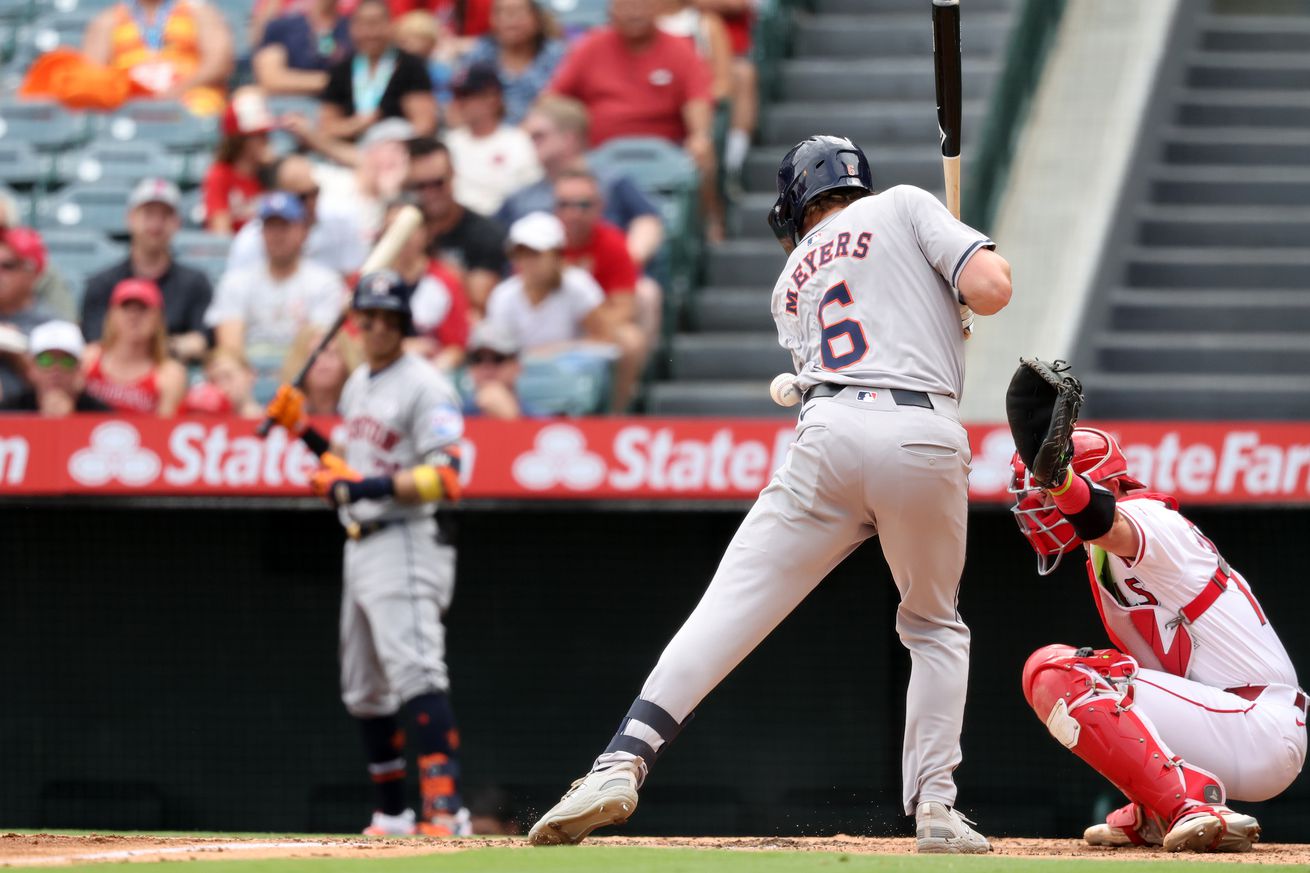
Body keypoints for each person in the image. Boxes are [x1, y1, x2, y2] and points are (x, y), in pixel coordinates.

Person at [527, 135, 1013, 850]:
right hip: (922, 433)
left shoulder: (789, 279)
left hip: (830, 431)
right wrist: (960, 299)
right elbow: (994, 287)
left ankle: (620, 759)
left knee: (726, 608)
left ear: (795, 207)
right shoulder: (906, 204)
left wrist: (947, 305)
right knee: (933, 625)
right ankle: (937, 807)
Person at [1010, 426, 1305, 852]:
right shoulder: (1101, 559)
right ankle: (1157, 807)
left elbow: (1106, 523)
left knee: (1057, 671)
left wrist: (1063, 482)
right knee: (1100, 684)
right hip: (1225, 720)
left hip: (1259, 722)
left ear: (1099, 484)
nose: (1037, 505)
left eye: (1044, 491)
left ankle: (1191, 804)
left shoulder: (1148, 516)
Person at [263, 270, 471, 837]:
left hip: (406, 539)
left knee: (416, 671)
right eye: (369, 317)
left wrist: (361, 490)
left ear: (403, 323)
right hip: (361, 543)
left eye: (388, 317)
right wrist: (303, 431)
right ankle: (392, 812)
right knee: (363, 688)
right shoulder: (358, 382)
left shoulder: (425, 385)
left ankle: (446, 811)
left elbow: (447, 478)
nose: (377, 326)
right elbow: (350, 460)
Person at [545, 0, 720, 238]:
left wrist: (699, 135)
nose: (634, 12)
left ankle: (706, 231)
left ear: (656, 8)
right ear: (611, 10)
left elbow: (697, 98)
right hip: (598, 156)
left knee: (703, 151)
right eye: (626, 5)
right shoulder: (591, 46)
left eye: (641, 4)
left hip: (666, 155)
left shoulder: (678, 48)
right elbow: (551, 100)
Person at [500, 96, 665, 275]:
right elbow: (495, 242)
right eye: (530, 137)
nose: (531, 143)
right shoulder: (520, 197)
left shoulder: (612, 181)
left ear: (569, 138)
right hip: (541, 285)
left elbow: (647, 221)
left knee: (646, 293)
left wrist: (625, 262)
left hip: (605, 278)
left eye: (539, 136)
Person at [206, 192, 347, 391]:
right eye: (270, 226)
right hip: (248, 382)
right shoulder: (236, 281)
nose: (277, 234)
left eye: (285, 226)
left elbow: (318, 345)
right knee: (225, 368)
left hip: (303, 381)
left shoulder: (325, 282)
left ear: (303, 231)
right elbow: (231, 349)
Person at [81, 178, 213, 364]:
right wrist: (170, 345)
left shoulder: (195, 283)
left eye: (165, 215)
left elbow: (201, 341)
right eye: (148, 214)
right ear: (130, 218)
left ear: (177, 223)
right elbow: (95, 343)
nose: (156, 223)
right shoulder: (102, 284)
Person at [554, 167, 647, 411]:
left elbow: (624, 308)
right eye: (565, 205)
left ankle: (616, 415)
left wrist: (591, 329)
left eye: (583, 205)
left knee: (631, 339)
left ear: (599, 207)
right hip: (545, 331)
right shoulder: (539, 244)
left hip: (593, 331)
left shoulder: (613, 244)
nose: (573, 213)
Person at [81, 0, 235, 116]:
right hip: (128, 107)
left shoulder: (199, 11)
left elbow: (220, 63)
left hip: (191, 100)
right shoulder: (107, 21)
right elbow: (92, 75)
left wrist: (176, 91)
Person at [406, 137, 507, 313]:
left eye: (438, 183)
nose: (430, 193)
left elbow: (479, 303)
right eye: (420, 186)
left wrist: (429, 266)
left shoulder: (484, 233)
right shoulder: (401, 228)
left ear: (453, 175)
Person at [484, 212, 606, 353]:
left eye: (535, 253)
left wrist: (560, 351)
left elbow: (602, 339)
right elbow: (499, 350)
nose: (526, 261)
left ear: (556, 254)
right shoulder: (503, 296)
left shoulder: (579, 286)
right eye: (520, 253)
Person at [227, 155, 369, 276]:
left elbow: (354, 275)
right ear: (278, 195)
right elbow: (236, 292)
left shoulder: (340, 220)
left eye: (315, 192)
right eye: (302, 197)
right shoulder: (252, 240)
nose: (311, 201)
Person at [319, 0, 438, 142]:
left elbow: (424, 124)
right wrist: (356, 125)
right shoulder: (340, 70)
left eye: (375, 23)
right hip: (349, 152)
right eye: (362, 24)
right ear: (351, 28)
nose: (369, 32)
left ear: (391, 25)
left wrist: (391, 148)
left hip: (399, 150)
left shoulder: (410, 66)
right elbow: (327, 126)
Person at [378, 199, 470, 371]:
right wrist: (400, 348)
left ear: (427, 232)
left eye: (411, 229)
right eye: (394, 228)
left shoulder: (446, 281)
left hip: (432, 372)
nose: (404, 238)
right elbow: (353, 340)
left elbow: (457, 347)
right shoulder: (369, 281)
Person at [445, 62, 541, 217]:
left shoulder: (518, 142)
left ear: (492, 98)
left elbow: (528, 194)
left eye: (466, 95)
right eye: (456, 96)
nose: (459, 103)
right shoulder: (449, 142)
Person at [83, 278, 187, 416]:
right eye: (126, 308)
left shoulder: (169, 375)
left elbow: (165, 431)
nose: (134, 316)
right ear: (112, 315)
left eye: (143, 309)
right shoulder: (88, 358)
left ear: (157, 318)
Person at [459, 0, 566, 125]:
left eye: (518, 12)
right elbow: (459, 102)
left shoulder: (557, 56)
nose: (509, 19)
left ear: (537, 18)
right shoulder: (479, 54)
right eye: (501, 12)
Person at [203, 88, 276, 235]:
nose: (266, 141)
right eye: (258, 135)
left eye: (266, 134)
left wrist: (276, 170)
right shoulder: (219, 174)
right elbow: (220, 232)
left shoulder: (272, 173)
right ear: (239, 141)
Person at [0, 320, 111, 414]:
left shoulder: (99, 414)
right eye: (46, 360)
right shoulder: (9, 411)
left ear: (79, 369)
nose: (55, 368)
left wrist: (71, 421)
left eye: (67, 361)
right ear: (31, 368)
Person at [0, 228, 57, 404]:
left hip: (30, 424)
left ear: (32, 271)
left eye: (8, 266)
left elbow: (62, 386)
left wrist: (17, 351)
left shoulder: (53, 326)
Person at [253, 0, 352, 96]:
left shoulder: (354, 26)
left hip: (339, 103)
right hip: (287, 100)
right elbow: (272, 79)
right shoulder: (284, 26)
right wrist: (332, 82)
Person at [461, 318, 531, 419]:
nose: (486, 366)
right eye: (477, 359)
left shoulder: (538, 419)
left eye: (498, 358)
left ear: (517, 367)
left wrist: (514, 419)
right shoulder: (456, 415)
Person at [182, 346, 264, 417]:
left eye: (227, 376)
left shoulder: (273, 422)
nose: (222, 387)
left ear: (250, 374)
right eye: (213, 381)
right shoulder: (208, 428)